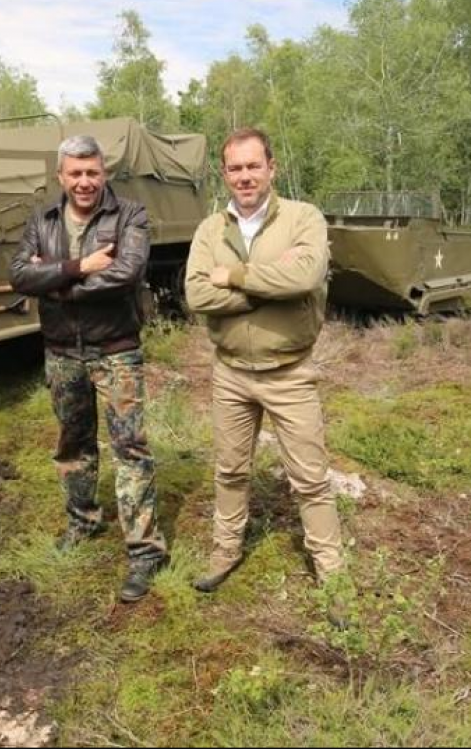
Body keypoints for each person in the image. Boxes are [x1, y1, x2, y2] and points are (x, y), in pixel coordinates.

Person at [185, 126, 345, 598]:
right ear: (225, 173)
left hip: (289, 373)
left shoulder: (303, 218)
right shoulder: (210, 229)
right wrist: (267, 289)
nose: (245, 176)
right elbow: (197, 294)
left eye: (254, 165)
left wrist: (234, 276)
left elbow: (306, 276)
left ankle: (332, 573)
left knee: (310, 479)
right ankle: (225, 551)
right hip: (230, 373)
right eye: (235, 168)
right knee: (230, 471)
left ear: (272, 168)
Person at [8, 134, 168, 602]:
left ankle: (146, 551)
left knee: (130, 449)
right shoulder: (42, 219)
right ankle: (82, 522)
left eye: (92, 172)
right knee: (72, 444)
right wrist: (78, 267)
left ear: (104, 173)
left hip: (115, 350)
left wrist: (55, 280)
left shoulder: (129, 215)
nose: (84, 182)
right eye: (75, 173)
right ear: (60, 176)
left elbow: (127, 273)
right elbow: (18, 275)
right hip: (61, 352)